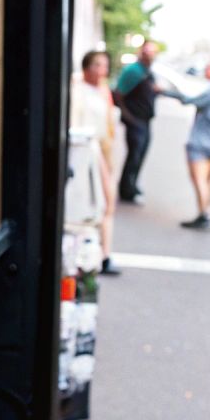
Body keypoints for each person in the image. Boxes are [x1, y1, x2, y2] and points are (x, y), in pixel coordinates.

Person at [157, 60, 210, 229]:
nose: (205, 70)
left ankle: (203, 214)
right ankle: (206, 213)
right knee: (209, 180)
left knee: (199, 180)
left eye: (208, 68)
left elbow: (190, 100)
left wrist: (166, 93)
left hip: (200, 141)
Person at [69, 50, 120, 274]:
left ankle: (102, 253)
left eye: (105, 65)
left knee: (102, 205)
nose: (103, 70)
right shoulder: (78, 90)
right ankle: (101, 255)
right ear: (87, 67)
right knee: (102, 203)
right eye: (98, 65)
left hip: (101, 151)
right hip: (88, 153)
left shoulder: (102, 91)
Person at [112, 41, 159, 203]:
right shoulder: (133, 71)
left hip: (145, 120)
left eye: (153, 53)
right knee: (134, 155)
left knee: (140, 154)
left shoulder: (147, 71)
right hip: (136, 121)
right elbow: (118, 93)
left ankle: (131, 184)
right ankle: (126, 189)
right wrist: (129, 117)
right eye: (147, 52)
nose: (150, 55)